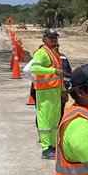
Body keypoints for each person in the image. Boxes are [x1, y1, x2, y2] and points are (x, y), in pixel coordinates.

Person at [27, 29, 67, 158]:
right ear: (44, 39)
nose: (54, 39)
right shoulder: (41, 52)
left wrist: (63, 91)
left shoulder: (54, 53)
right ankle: (46, 148)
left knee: (55, 120)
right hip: (44, 91)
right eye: (51, 37)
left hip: (55, 90)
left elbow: (59, 76)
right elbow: (34, 68)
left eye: (55, 37)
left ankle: (53, 145)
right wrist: (53, 70)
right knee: (45, 119)